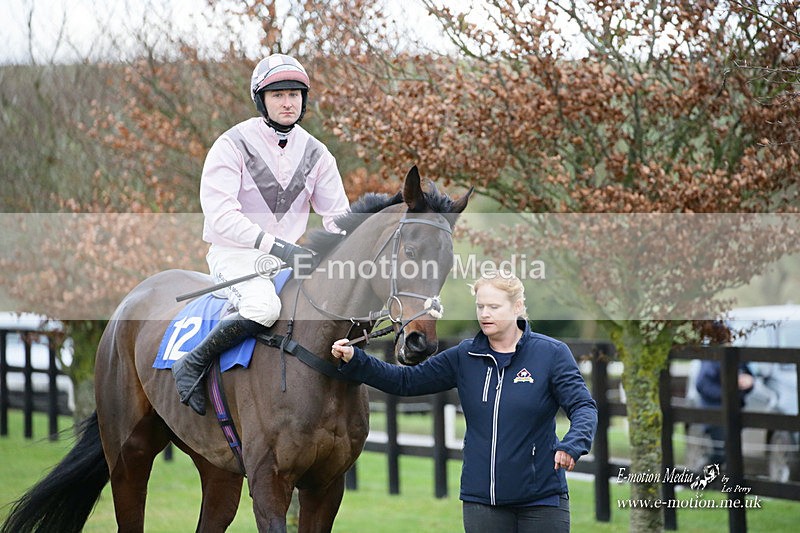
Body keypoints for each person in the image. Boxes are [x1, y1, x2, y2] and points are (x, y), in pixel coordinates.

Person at [331, 271, 597, 533]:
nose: (484, 314)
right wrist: (357, 360)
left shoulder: (551, 354)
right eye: (480, 306)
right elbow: (406, 381)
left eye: (493, 306)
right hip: (482, 502)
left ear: (517, 307)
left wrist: (573, 444)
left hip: (542, 500)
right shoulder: (465, 355)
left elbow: (583, 406)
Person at [172, 53, 350, 415]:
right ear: (261, 100)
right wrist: (278, 248)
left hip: (286, 258)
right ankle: (192, 361)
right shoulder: (231, 144)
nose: (288, 103)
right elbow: (221, 216)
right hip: (234, 254)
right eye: (278, 95)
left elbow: (338, 218)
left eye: (294, 95)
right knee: (264, 308)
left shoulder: (318, 154)